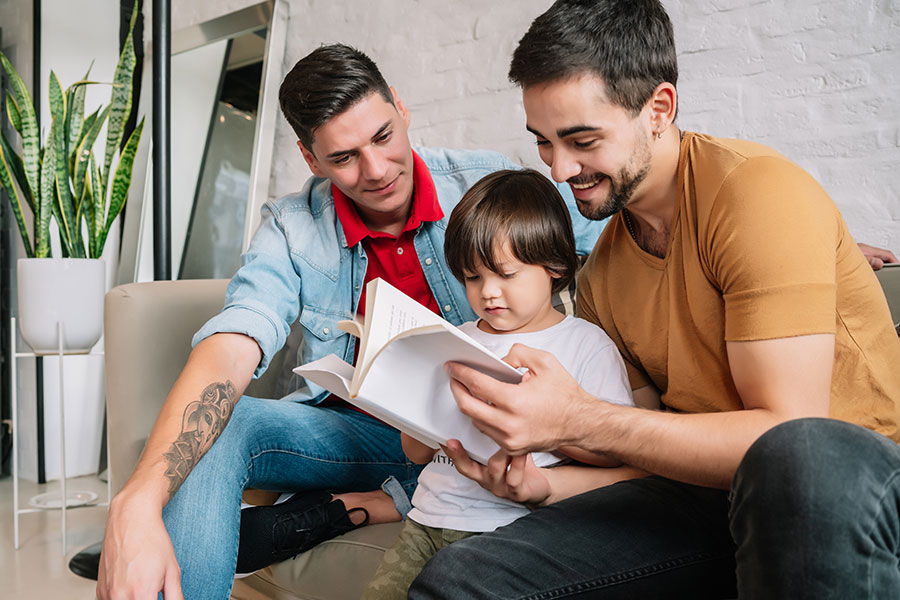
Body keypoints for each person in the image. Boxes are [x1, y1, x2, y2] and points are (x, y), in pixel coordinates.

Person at [408, 1, 900, 598]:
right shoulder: (604, 272)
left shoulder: (756, 194)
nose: (561, 169)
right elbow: (642, 438)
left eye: (582, 139)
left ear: (658, 110)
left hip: (844, 485)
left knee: (800, 459)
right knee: (462, 580)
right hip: (703, 497)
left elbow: (784, 437)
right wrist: (535, 465)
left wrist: (580, 418)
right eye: (543, 143)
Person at [96, 44, 604, 600]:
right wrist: (136, 499)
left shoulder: (486, 188)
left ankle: (363, 505)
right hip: (354, 433)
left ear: (401, 109)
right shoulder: (292, 229)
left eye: (384, 137)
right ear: (310, 160)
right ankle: (371, 500)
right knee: (221, 426)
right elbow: (234, 339)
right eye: (344, 158)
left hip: (462, 439)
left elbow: (611, 245)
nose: (377, 170)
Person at [362, 169, 635, 599]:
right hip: (429, 518)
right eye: (472, 278)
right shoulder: (457, 340)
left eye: (506, 275)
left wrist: (537, 424)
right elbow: (415, 453)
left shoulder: (585, 344)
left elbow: (615, 451)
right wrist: (405, 400)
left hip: (512, 529)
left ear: (555, 266)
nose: (488, 292)